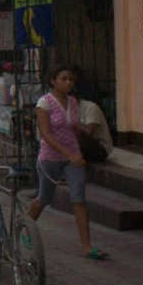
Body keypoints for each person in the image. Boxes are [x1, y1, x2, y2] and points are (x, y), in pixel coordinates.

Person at [27, 64, 108, 260]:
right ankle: (24, 228)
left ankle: (87, 246)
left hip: (73, 157)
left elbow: (72, 125)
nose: (68, 82)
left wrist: (79, 143)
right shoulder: (44, 103)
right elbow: (45, 134)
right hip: (50, 158)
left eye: (71, 79)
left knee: (79, 199)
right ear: (53, 81)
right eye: (63, 79)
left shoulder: (72, 102)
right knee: (44, 198)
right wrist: (68, 153)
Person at [77, 98, 113, 164]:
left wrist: (74, 122)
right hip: (81, 147)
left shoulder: (90, 107)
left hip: (100, 147)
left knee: (77, 133)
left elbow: (89, 132)